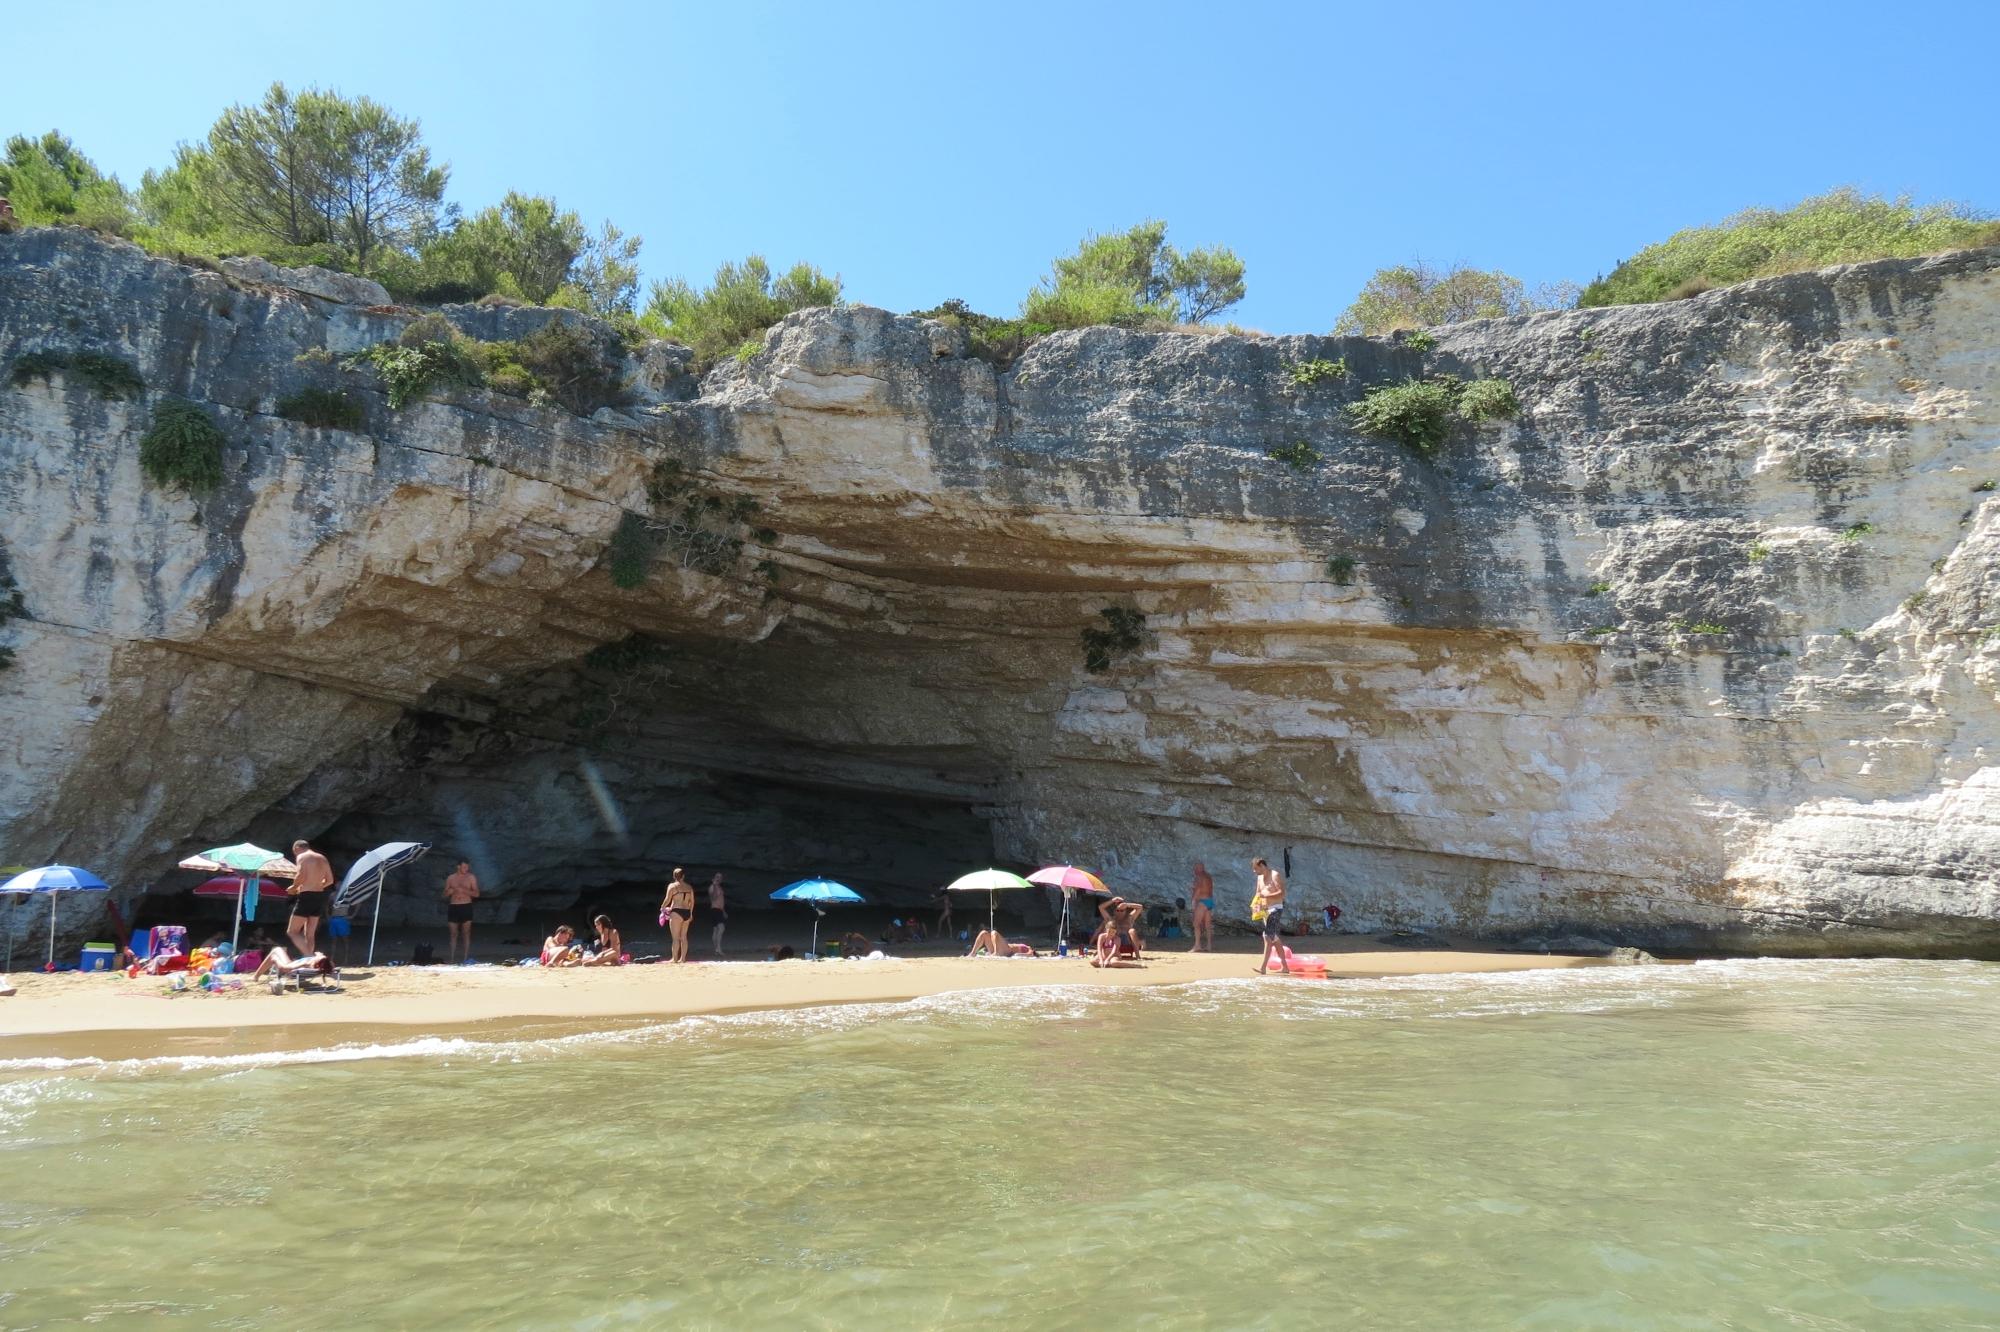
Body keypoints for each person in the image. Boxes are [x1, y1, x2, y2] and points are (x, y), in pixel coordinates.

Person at [287, 840, 334, 957]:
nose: (295, 855)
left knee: (292, 931)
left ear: (297, 848)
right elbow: (330, 880)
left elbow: (300, 875)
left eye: (294, 852)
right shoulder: (322, 858)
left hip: (306, 895)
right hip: (319, 896)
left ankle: (309, 956)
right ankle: (308, 961)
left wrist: (293, 888)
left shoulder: (302, 856)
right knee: (309, 934)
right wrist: (317, 885)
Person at [1252, 856, 1290, 975]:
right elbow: (1258, 893)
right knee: (1274, 938)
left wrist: (1266, 897)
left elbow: (1282, 893)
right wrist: (1256, 905)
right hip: (1265, 910)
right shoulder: (1259, 878)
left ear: (1262, 866)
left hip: (1276, 909)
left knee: (1267, 936)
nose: (1254, 871)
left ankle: (1263, 967)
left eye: (1256, 868)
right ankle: (1285, 967)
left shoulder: (1275, 875)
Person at [442, 860, 480, 964]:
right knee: (453, 934)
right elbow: (444, 894)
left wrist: (464, 890)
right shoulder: (451, 878)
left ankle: (465, 958)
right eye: (464, 867)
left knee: (466, 933)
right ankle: (452, 958)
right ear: (458, 867)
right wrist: (449, 892)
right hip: (453, 906)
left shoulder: (471, 877)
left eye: (467, 867)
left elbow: (477, 894)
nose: (466, 869)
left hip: (466, 906)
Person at [660, 868, 696, 964]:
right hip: (687, 912)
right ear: (683, 876)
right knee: (684, 936)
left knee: (675, 938)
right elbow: (692, 902)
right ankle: (683, 959)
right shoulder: (689, 887)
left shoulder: (672, 886)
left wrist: (662, 907)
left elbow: (668, 899)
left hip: (676, 911)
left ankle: (674, 959)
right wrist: (691, 913)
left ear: (674, 876)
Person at [1190, 861, 1216, 952]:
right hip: (1209, 901)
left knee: (1196, 923)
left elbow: (1198, 889)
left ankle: (1197, 945)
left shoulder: (1199, 877)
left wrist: (1193, 901)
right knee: (1207, 925)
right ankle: (1209, 946)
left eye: (1196, 868)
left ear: (1200, 868)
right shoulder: (1208, 876)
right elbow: (1210, 889)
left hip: (1202, 901)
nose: (1195, 870)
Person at [707, 872, 728, 956]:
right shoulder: (712, 887)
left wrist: (723, 911)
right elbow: (713, 898)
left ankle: (716, 950)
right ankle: (718, 948)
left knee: (716, 930)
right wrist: (715, 885)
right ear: (714, 878)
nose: (719, 878)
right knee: (721, 928)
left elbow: (720, 900)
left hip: (719, 910)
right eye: (717, 877)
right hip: (715, 910)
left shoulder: (719, 887)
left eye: (720, 877)